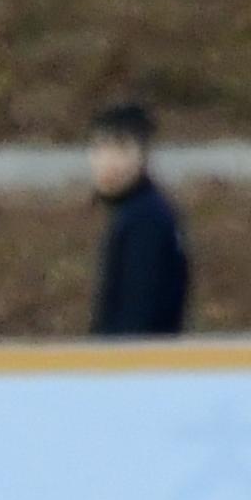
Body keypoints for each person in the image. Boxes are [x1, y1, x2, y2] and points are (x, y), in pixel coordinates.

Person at [89, 101, 191, 338]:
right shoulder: (138, 213)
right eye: (99, 148)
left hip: (136, 369)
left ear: (143, 156)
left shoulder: (146, 220)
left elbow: (136, 321)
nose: (108, 162)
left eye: (121, 149)